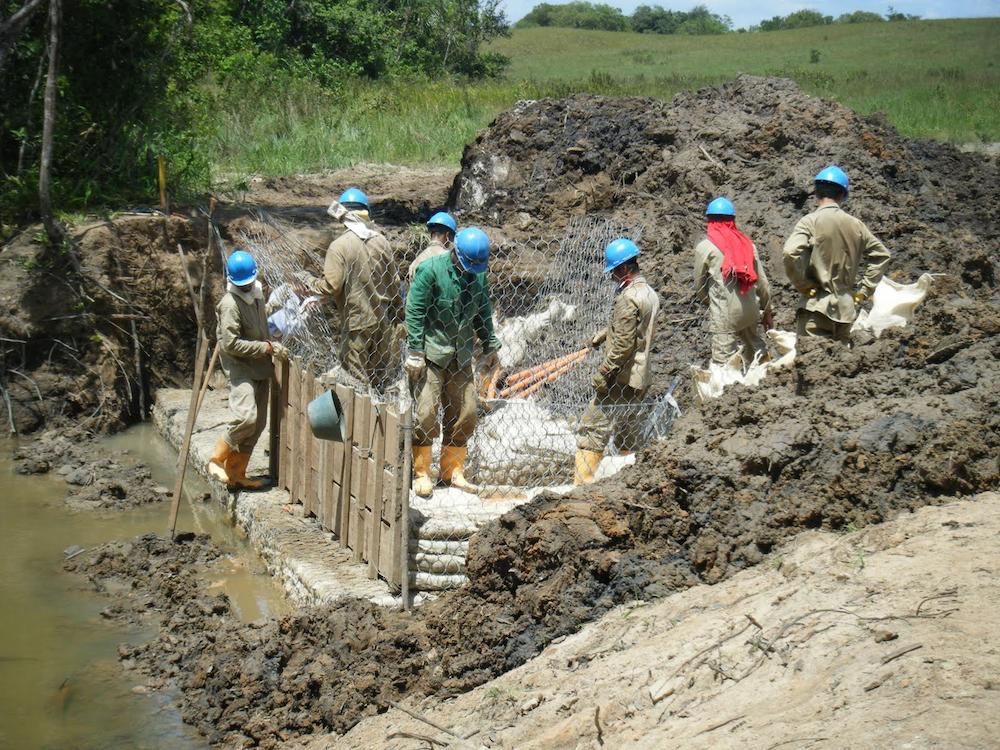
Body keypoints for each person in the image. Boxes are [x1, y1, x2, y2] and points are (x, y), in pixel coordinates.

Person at [404, 227, 501, 497]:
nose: (469, 270)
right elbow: (415, 310)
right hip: (432, 354)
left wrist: (490, 344)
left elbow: (483, 311)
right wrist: (415, 350)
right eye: (465, 263)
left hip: (460, 355)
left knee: (467, 412)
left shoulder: (478, 276)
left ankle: (451, 471)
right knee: (425, 414)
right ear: (454, 252)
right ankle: (421, 472)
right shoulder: (431, 270)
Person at [575, 238, 660, 485]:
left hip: (619, 378)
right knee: (628, 434)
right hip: (640, 376)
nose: (612, 276)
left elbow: (623, 344)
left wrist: (604, 372)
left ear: (623, 268)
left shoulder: (627, 297)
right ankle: (625, 484)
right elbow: (637, 330)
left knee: (591, 429)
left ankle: (581, 487)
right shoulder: (649, 293)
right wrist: (605, 333)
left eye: (613, 271)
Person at [208, 250, 288, 490]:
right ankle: (216, 460)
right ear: (232, 281)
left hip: (260, 364)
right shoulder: (230, 305)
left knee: (258, 424)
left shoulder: (257, 294)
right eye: (242, 285)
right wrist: (265, 347)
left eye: (249, 283)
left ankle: (237, 473)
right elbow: (230, 344)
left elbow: (261, 324)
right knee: (246, 417)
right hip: (241, 366)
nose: (246, 287)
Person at [782, 166, 891, 342]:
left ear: (816, 193)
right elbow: (882, 255)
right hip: (845, 311)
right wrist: (864, 291)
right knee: (838, 363)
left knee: (812, 363)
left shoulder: (810, 221)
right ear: (842, 195)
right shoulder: (857, 225)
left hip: (815, 308)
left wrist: (803, 285)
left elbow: (790, 252)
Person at [308, 187, 399, 389]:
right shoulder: (381, 241)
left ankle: (360, 419)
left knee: (356, 384)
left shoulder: (339, 246)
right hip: (382, 323)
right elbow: (394, 284)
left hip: (357, 325)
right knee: (380, 382)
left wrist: (309, 282)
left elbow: (331, 286)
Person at [694, 197, 773, 366]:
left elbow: (700, 287)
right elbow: (763, 283)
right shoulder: (748, 245)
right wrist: (766, 312)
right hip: (750, 309)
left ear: (709, 220)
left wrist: (712, 302)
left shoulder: (705, 247)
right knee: (757, 349)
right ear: (733, 220)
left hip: (725, 313)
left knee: (724, 362)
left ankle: (729, 390)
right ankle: (768, 379)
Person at [408, 212, 457, 282]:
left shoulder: (415, 262)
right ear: (447, 235)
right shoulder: (449, 259)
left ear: (431, 234)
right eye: (452, 238)